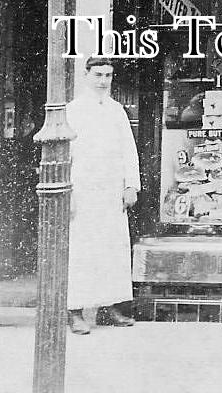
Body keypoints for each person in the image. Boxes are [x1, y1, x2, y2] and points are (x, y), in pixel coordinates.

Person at [66, 57, 140, 334]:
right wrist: (68, 193)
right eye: (97, 75)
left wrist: (131, 185)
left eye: (107, 75)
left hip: (111, 192)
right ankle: (75, 311)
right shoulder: (72, 111)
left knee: (112, 249)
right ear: (86, 75)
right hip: (83, 192)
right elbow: (66, 155)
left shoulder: (117, 111)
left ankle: (111, 308)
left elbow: (129, 151)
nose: (103, 81)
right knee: (82, 251)